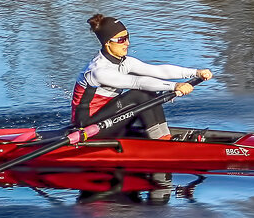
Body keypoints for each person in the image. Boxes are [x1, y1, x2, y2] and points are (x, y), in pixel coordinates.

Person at [71, 14, 213, 140]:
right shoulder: (98, 71)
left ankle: (165, 136)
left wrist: (195, 72)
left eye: (127, 37)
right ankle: (162, 141)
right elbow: (137, 82)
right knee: (138, 94)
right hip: (88, 127)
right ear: (108, 42)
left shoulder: (125, 62)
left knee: (148, 92)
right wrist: (175, 86)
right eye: (121, 40)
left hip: (110, 118)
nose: (127, 43)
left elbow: (158, 71)